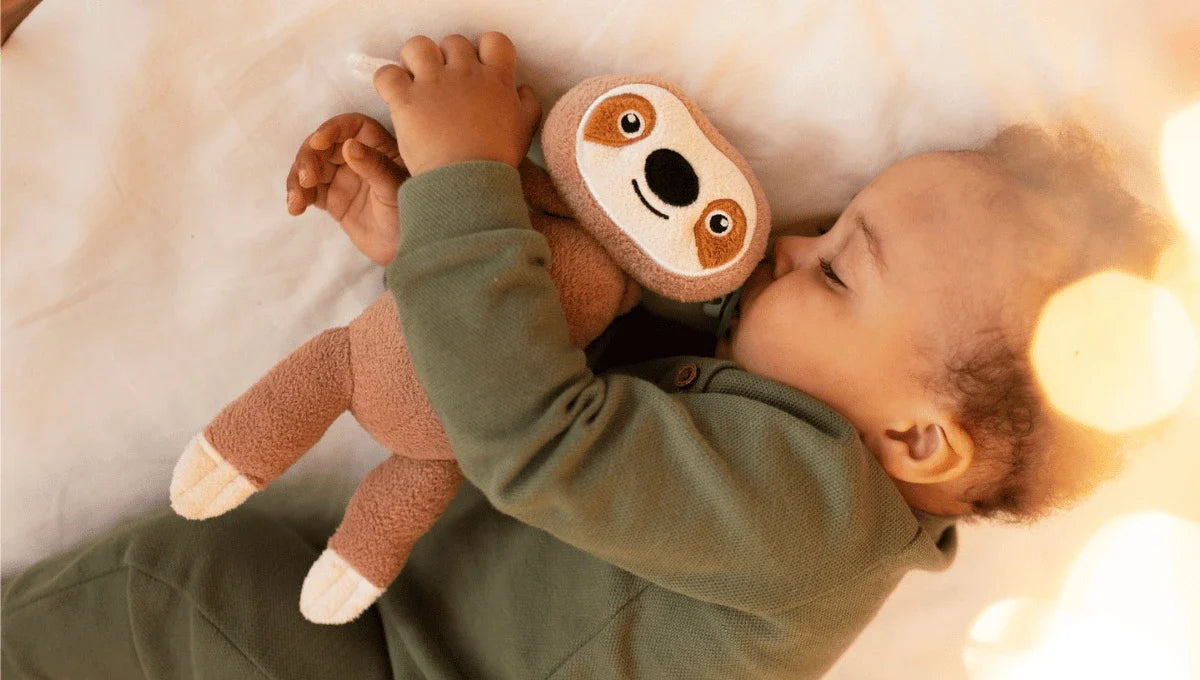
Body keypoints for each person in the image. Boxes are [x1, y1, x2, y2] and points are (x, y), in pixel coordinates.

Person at [2, 31, 1175, 679]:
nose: (792, 240)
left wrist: (468, 176)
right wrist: (424, 239)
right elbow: (548, 356)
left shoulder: (810, 520)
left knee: (176, 593)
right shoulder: (789, 460)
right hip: (374, 640)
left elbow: (537, 432)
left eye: (837, 267)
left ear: (920, 435)